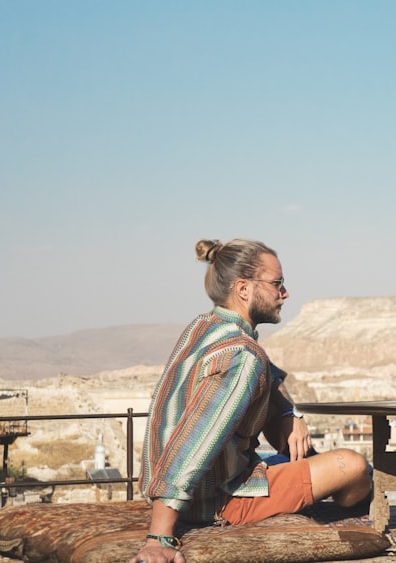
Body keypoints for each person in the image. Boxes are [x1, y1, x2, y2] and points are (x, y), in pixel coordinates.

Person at [131, 239, 372, 563]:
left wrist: (289, 413)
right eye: (277, 284)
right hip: (221, 501)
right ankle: (351, 505)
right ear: (244, 289)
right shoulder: (241, 356)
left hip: (210, 488)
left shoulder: (206, 327)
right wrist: (158, 537)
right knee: (355, 467)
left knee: (305, 446)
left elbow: (271, 378)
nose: (284, 294)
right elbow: (191, 445)